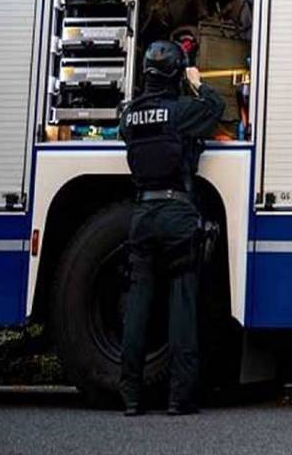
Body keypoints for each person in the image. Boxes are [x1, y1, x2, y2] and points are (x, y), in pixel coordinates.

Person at [119, 41, 225, 416]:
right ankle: (179, 398)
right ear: (176, 74)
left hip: (142, 215)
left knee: (137, 307)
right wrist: (198, 82)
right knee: (182, 307)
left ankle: (130, 397)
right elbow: (216, 109)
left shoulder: (129, 116)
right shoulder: (180, 112)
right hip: (177, 213)